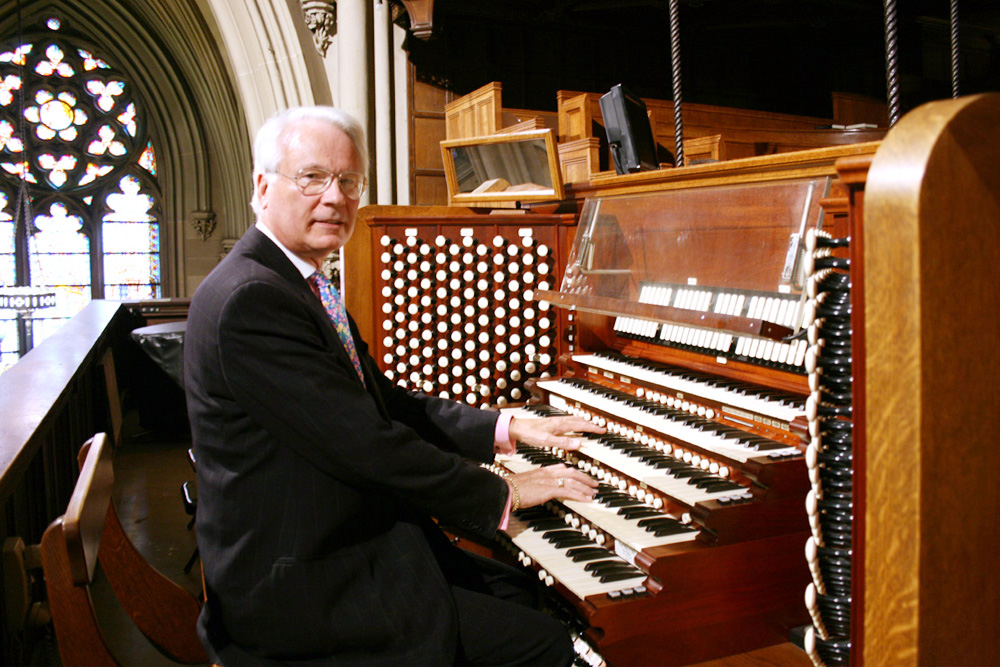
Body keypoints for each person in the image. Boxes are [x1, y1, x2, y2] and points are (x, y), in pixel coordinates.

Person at [183, 105, 602, 666]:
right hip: (304, 586)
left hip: (336, 544)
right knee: (548, 643)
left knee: (532, 593)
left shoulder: (291, 282)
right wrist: (506, 492)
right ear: (263, 187)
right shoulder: (251, 300)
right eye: (312, 177)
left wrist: (508, 427)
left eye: (349, 181)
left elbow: (387, 406)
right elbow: (368, 445)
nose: (335, 198)